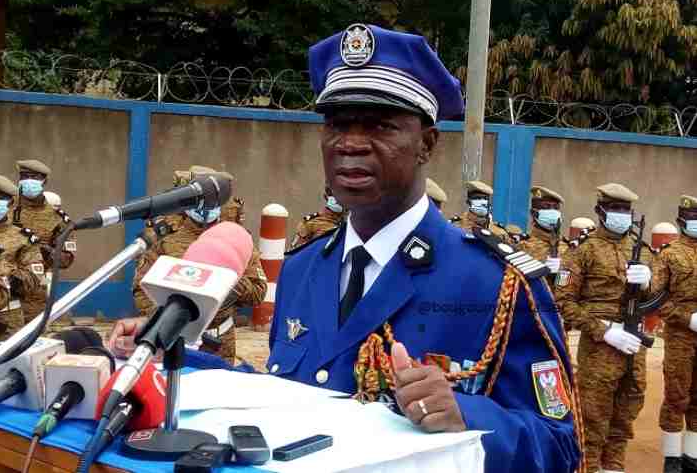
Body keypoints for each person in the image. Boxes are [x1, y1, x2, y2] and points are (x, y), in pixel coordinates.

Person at [108, 24, 580, 472]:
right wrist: (165, 350)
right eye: (337, 124)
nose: (351, 144)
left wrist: (469, 416)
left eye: (379, 126)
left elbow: (561, 446)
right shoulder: (304, 267)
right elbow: (288, 394)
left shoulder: (495, 282)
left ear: (427, 144)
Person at [555, 183, 655, 473]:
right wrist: (605, 331)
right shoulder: (581, 252)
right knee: (593, 419)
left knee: (625, 415)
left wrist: (648, 283)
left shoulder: (643, 251)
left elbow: (658, 295)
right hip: (600, 349)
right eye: (615, 209)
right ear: (600, 211)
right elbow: (563, 302)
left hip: (634, 345)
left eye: (626, 210)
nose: (621, 215)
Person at [131, 167, 267, 363]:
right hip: (173, 341)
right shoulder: (165, 235)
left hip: (222, 343)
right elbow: (141, 290)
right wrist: (168, 321)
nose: (207, 208)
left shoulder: (236, 238)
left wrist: (229, 280)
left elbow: (258, 292)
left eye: (214, 201)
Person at [652, 196, 697, 473]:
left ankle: (692, 455)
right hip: (681, 335)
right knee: (676, 395)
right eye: (693, 216)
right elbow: (655, 298)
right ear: (681, 219)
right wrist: (687, 318)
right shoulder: (669, 254)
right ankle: (672, 458)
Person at [13, 160, 76, 323]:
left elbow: (66, 259)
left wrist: (45, 250)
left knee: (33, 345)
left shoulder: (57, 218)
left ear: (44, 181)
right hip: (2, 294)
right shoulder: (5, 208)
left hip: (34, 301)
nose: (28, 180)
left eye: (33, 177)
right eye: (24, 176)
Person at [0, 175, 47, 339]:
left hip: (6, 322)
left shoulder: (23, 238)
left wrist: (5, 278)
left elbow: (34, 276)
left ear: (10, 203)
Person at [518, 186, 568, 289]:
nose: (552, 211)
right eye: (546, 207)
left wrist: (559, 271)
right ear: (533, 213)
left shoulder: (567, 248)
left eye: (556, 208)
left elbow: (565, 285)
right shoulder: (522, 247)